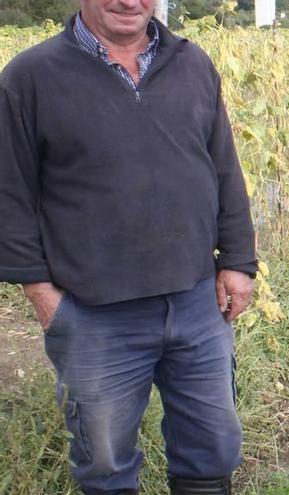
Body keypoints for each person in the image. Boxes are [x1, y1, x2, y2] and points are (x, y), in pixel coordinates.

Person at [0, 0, 257, 493]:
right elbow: (9, 192)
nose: (127, 1)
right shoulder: (31, 76)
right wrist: (40, 291)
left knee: (213, 446)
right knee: (105, 462)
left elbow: (224, 167)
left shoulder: (191, 62)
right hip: (95, 313)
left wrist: (239, 262)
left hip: (198, 301)